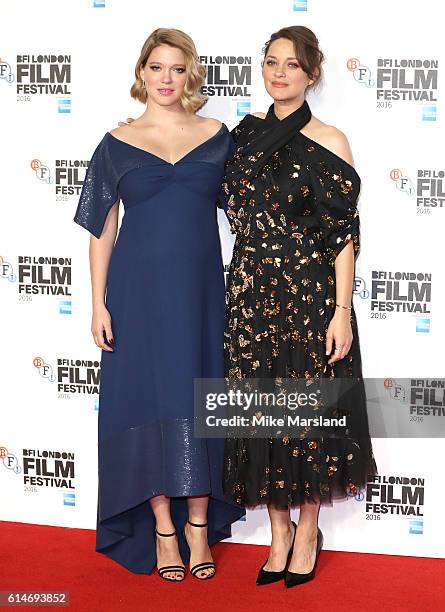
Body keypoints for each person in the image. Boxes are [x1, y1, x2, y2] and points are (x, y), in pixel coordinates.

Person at [73, 27, 244, 583]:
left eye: (177, 69)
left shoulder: (218, 136)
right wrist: (97, 302)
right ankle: (163, 529)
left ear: (189, 74)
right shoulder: (116, 142)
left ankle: (200, 526)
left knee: (198, 395)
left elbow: (251, 211)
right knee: (147, 399)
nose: (166, 79)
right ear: (141, 73)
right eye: (156, 68)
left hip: (200, 293)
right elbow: (102, 227)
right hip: (137, 294)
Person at [221, 26, 377, 587]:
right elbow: (185, 166)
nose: (278, 72)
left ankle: (308, 529)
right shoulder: (239, 138)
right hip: (251, 297)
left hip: (311, 298)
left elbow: (342, 236)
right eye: (270, 63)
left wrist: (341, 310)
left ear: (312, 73)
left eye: (291, 64)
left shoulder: (331, 140)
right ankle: (278, 532)